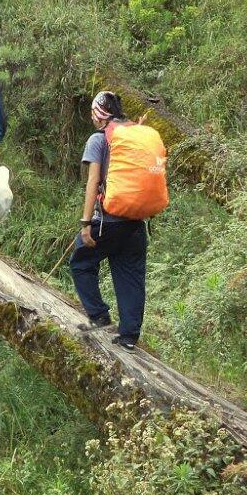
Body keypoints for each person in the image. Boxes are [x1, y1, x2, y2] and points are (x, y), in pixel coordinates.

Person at [70, 91, 149, 352]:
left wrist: (85, 224)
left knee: (81, 261)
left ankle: (99, 315)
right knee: (130, 277)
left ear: (98, 113)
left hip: (108, 220)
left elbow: (93, 181)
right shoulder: (134, 135)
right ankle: (128, 337)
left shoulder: (98, 139)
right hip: (136, 221)